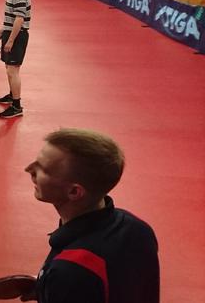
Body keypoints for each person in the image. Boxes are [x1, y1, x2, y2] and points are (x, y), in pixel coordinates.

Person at [24, 128, 159, 303]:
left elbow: (78, 278)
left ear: (74, 192)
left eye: (43, 169)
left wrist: (59, 287)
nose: (29, 169)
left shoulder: (69, 272)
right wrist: (47, 287)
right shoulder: (138, 229)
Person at [0, 0, 31, 119]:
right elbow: (12, 17)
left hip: (17, 36)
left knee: (12, 70)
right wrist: (3, 30)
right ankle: (12, 95)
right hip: (10, 33)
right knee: (9, 68)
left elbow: (19, 19)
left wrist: (10, 40)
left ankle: (16, 107)